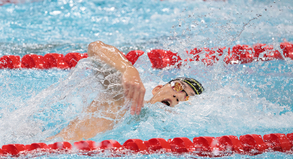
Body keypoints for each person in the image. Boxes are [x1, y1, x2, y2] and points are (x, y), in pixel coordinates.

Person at [51, 41, 204, 141]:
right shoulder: (125, 99)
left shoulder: (163, 135)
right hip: (48, 152)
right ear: (157, 89)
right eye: (178, 87)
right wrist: (127, 69)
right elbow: (95, 47)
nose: (179, 96)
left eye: (187, 98)